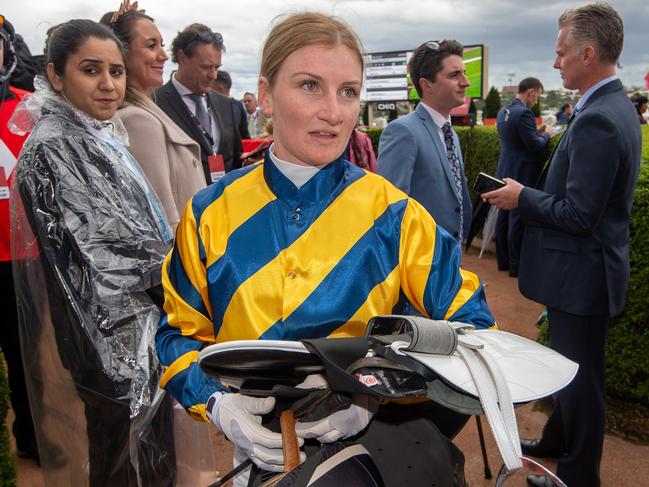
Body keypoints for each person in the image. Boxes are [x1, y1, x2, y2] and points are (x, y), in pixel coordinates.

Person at [155, 12, 495, 487]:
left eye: (348, 92)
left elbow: (474, 330)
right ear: (267, 94)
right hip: (251, 464)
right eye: (310, 86)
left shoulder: (397, 216)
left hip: (372, 463)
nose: (334, 112)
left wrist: (377, 391)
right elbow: (176, 335)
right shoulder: (206, 213)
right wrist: (215, 400)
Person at [10, 19, 176, 486]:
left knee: (137, 455)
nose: (109, 85)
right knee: (128, 460)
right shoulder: (58, 146)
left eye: (117, 72)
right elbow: (109, 254)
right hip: (110, 338)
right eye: (91, 70)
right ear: (56, 75)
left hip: (129, 328)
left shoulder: (91, 135)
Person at [483, 3, 641, 486]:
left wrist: (520, 197)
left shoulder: (599, 117)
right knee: (570, 370)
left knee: (582, 379)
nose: (556, 64)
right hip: (585, 273)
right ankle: (556, 443)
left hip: (583, 275)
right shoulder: (610, 106)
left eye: (561, 54)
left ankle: (578, 474)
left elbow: (579, 215)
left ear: (588, 53)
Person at [100, 4, 206, 231]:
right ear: (121, 54)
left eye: (162, 45)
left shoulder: (142, 112)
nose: (163, 56)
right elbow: (163, 222)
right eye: (151, 45)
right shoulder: (138, 121)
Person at [377, 40, 472, 242]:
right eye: (455, 75)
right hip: (420, 261)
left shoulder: (451, 134)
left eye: (464, 73)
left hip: (450, 255)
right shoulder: (402, 131)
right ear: (426, 85)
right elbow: (390, 208)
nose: (466, 82)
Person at [156, 23, 242, 184]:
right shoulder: (156, 104)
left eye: (217, 67)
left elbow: (235, 158)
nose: (214, 75)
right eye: (206, 67)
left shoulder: (226, 105)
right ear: (182, 57)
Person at [494, 77, 553, 277]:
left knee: (502, 215)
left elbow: (517, 138)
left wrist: (536, 132)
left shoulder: (504, 111)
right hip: (523, 170)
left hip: (505, 167)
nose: (537, 101)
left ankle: (503, 261)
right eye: (538, 95)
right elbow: (534, 145)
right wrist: (547, 135)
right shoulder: (525, 113)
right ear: (531, 91)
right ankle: (515, 266)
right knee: (517, 216)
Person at [213, 69, 250, 139]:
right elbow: (245, 134)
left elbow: (244, 135)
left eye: (211, 88)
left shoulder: (238, 106)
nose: (209, 91)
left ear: (220, 88)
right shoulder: (238, 106)